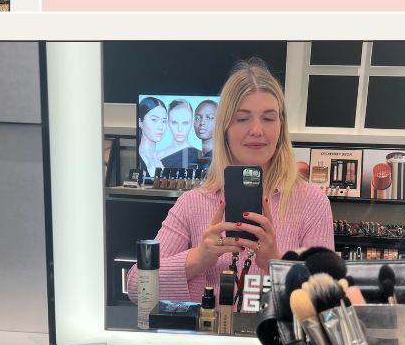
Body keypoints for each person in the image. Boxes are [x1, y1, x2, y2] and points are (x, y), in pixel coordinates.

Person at [141, 60, 334, 304]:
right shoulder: (193, 203)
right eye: (242, 119)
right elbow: (138, 286)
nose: (257, 130)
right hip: (208, 329)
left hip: (277, 331)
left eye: (268, 118)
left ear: (281, 127)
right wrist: (198, 258)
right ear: (224, 128)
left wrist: (276, 263)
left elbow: (327, 300)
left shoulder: (311, 203)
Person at [160, 97, 202, 170]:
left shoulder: (200, 156)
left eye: (185, 123)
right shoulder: (157, 156)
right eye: (174, 123)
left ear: (192, 123)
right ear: (168, 123)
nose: (180, 129)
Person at [134, 97, 171, 180]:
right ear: (140, 122)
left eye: (164, 121)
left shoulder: (165, 157)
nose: (160, 126)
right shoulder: (137, 158)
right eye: (154, 120)